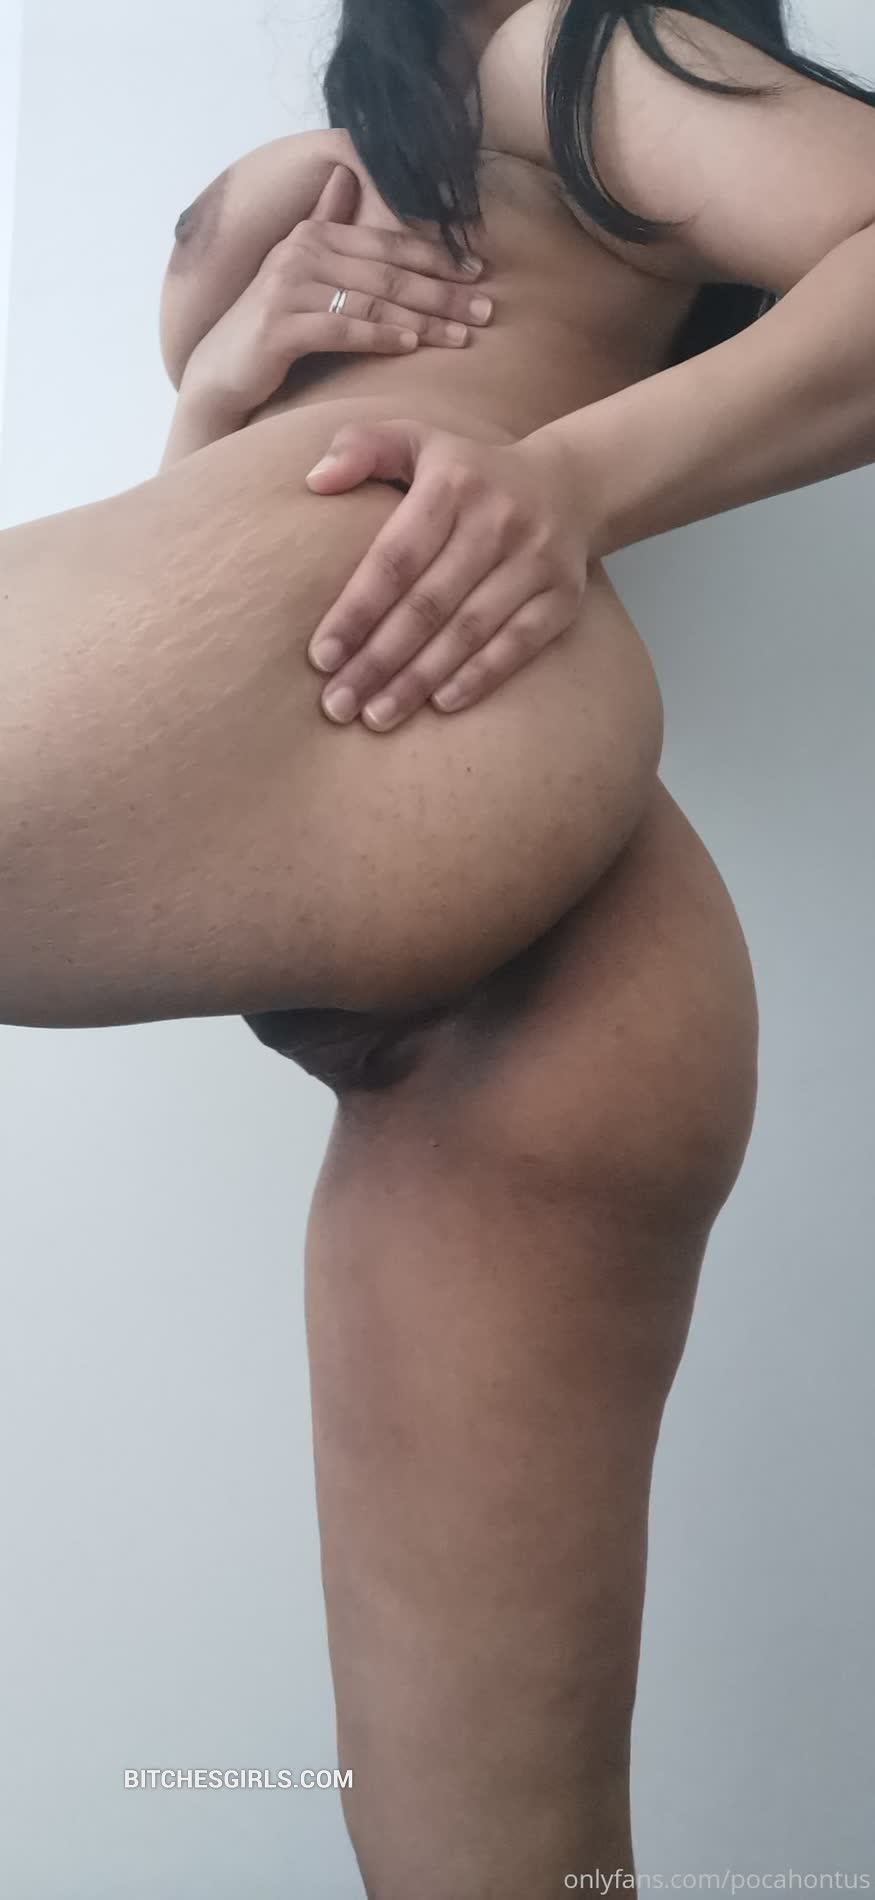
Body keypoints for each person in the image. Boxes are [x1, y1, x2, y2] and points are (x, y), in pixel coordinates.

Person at [3, 0, 874, 1887]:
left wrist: (576, 484)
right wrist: (219, 388)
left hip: (435, 713)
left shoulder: (567, 41)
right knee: (501, 1867)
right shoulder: (417, 113)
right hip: (545, 904)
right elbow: (214, 564)